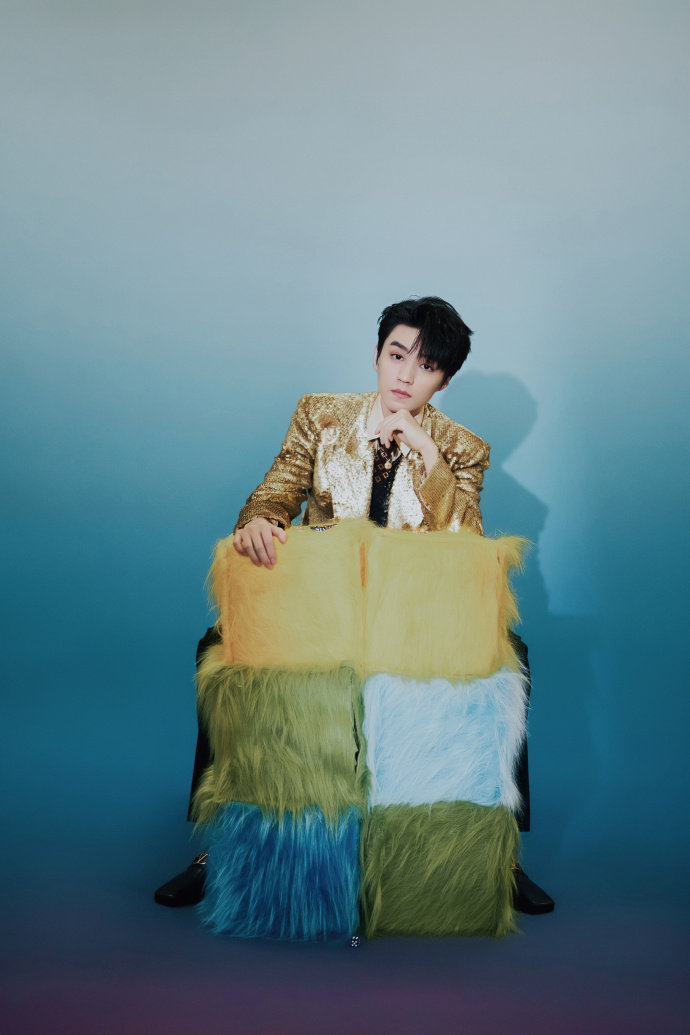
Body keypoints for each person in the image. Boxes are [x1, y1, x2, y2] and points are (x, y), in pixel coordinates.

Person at [154, 296, 554, 915]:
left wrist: (427, 456)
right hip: (321, 612)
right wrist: (260, 521)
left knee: (512, 662)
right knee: (220, 651)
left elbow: (469, 548)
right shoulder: (320, 416)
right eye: (397, 355)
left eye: (426, 367)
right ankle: (218, 849)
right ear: (376, 355)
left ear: (444, 381)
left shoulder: (463, 448)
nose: (405, 376)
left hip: (412, 620)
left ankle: (500, 855)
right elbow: (274, 493)